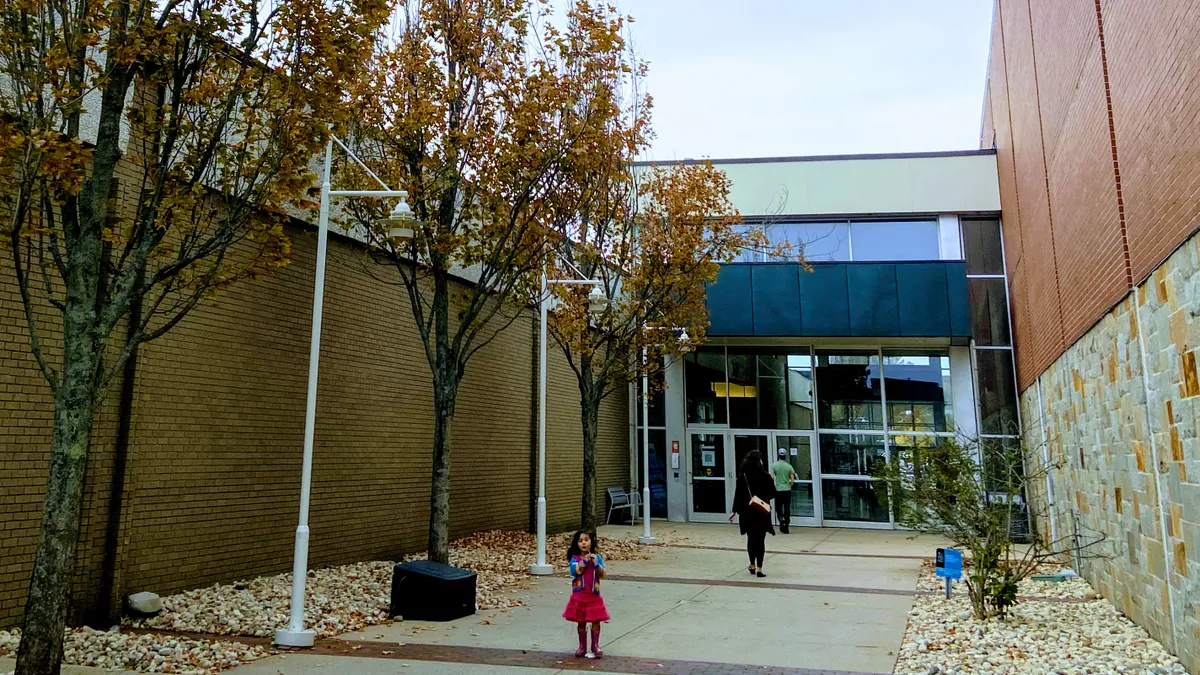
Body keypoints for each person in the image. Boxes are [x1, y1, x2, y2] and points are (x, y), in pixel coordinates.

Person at [563, 529, 610, 658]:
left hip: (593, 594)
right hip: (580, 595)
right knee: (581, 621)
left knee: (596, 621)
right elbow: (575, 571)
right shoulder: (575, 559)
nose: (583, 543)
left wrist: (596, 564)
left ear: (591, 542)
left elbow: (603, 574)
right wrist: (584, 561)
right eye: (580, 541)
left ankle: (595, 645)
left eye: (586, 540)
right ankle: (582, 646)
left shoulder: (597, 557)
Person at [729, 450, 776, 577]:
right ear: (759, 462)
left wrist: (734, 511)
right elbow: (773, 493)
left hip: (747, 512)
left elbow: (738, 495)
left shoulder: (742, 477)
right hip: (761, 512)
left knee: (751, 539)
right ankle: (760, 568)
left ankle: (752, 564)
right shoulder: (766, 476)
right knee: (760, 540)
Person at [770, 448, 799, 533]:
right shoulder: (789, 466)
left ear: (778, 455)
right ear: (785, 456)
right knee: (787, 507)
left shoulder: (774, 466)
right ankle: (786, 523)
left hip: (778, 490)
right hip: (787, 490)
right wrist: (789, 486)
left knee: (778, 507)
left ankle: (781, 518)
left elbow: (771, 477)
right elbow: (792, 480)